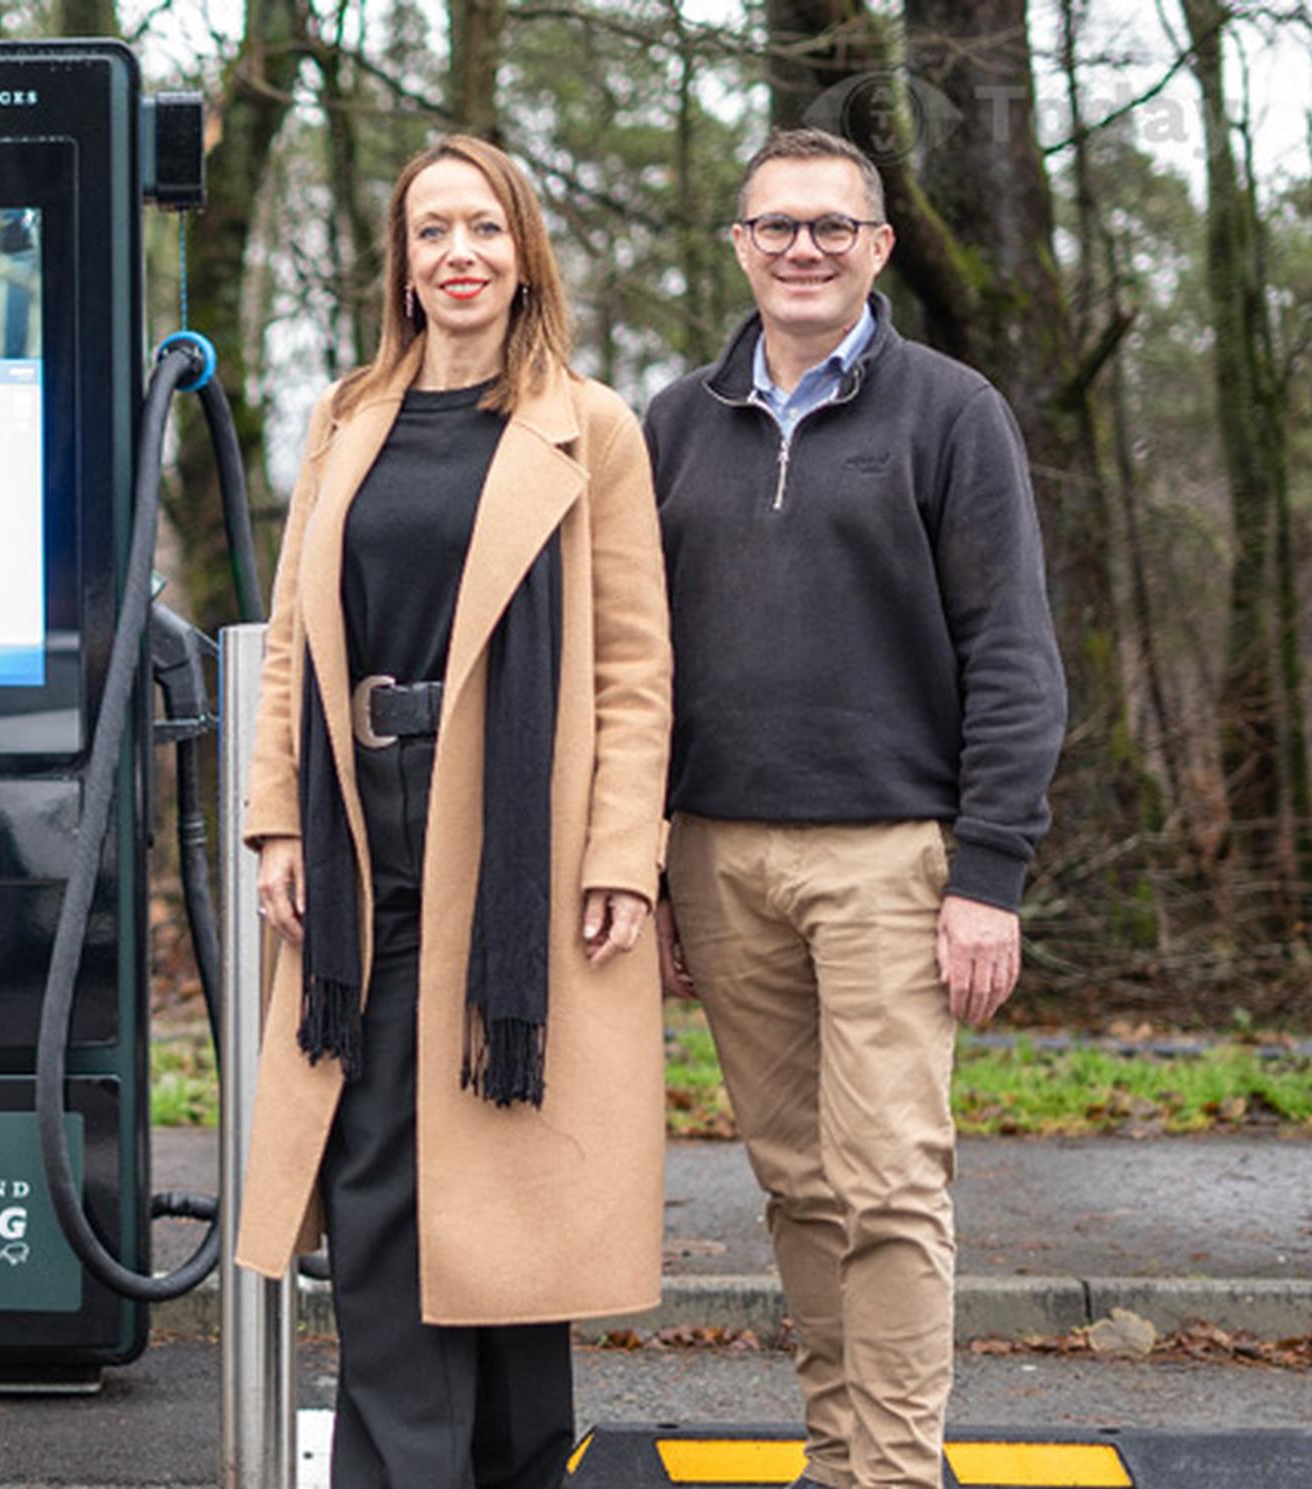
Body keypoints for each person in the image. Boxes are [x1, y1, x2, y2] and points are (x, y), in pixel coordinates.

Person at [236, 135, 674, 1488]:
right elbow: (291, 653)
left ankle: (515, 1463)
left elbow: (634, 662)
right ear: (403, 263)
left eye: (482, 227)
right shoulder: (345, 419)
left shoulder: (588, 426)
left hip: (520, 854)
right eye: (433, 232)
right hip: (364, 836)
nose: (459, 254)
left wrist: (622, 855)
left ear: (522, 248)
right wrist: (276, 823)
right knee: (374, 1177)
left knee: (507, 1186)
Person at [645, 129, 1067, 1489]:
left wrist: (989, 869)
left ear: (878, 247)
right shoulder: (668, 424)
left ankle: (892, 1472)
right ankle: (839, 1458)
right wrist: (643, 865)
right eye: (778, 226)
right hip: (718, 855)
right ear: (740, 246)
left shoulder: (952, 413)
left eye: (833, 226)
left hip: (895, 858)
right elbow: (633, 661)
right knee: (799, 1189)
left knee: (889, 1187)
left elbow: (1012, 652)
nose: (805, 249)